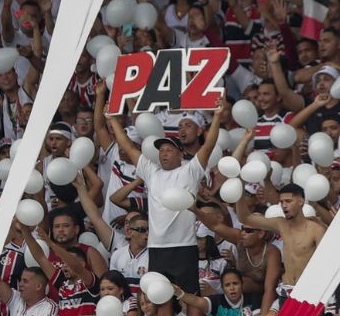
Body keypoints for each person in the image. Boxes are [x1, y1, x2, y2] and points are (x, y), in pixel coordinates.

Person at [106, 100, 224, 303]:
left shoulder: (191, 170)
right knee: (160, 300)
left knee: (189, 298)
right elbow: (127, 145)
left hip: (184, 246)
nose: (164, 153)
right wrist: (112, 120)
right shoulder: (152, 172)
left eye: (169, 150)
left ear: (180, 153)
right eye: (161, 150)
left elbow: (209, 145)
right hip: (157, 248)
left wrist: (218, 116)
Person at [236, 180, 325, 313]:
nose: (284, 206)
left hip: (308, 292)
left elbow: (326, 263)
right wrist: (237, 189)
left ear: (300, 201)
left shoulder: (316, 230)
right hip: (286, 291)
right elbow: (245, 218)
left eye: (288, 201)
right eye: (281, 202)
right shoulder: (281, 224)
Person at [173, 269, 252, 316]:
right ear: (222, 288)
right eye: (227, 285)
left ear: (242, 284)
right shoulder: (216, 301)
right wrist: (180, 293)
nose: (232, 288)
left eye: (235, 283)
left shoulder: (254, 299)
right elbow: (197, 301)